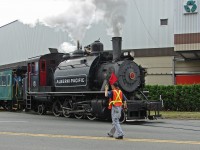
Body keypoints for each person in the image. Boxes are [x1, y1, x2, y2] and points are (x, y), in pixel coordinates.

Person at [105, 72, 127, 140]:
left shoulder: (112, 92)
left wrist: (106, 89)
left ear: (113, 86)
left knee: (115, 121)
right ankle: (111, 133)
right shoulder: (120, 92)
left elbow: (106, 95)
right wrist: (125, 107)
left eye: (112, 85)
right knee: (115, 121)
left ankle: (120, 134)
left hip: (115, 108)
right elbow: (125, 100)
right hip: (119, 108)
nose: (111, 86)